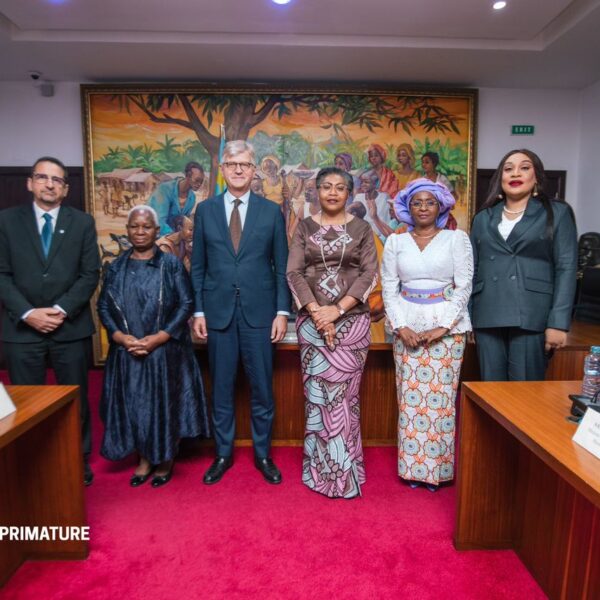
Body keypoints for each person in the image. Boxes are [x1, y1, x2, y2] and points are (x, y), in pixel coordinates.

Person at [191, 140, 290, 485]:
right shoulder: (205, 211)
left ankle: (263, 455)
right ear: (222, 168)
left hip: (260, 315)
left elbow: (280, 266)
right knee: (221, 388)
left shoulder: (270, 211)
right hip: (217, 314)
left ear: (254, 170)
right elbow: (198, 267)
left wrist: (281, 311)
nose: (237, 169)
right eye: (231, 163)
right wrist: (199, 310)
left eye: (244, 164)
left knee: (262, 388)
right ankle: (223, 454)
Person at [0, 156, 100, 486]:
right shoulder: (6, 221)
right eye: (42, 177)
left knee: (76, 400)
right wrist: (29, 313)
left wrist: (59, 310)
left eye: (56, 180)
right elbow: (2, 275)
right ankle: (32, 463)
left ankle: (78, 459)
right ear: (29, 182)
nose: (49, 184)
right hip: (21, 329)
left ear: (66, 189)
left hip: (69, 328)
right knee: (25, 402)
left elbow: (90, 275)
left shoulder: (82, 223)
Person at [97, 206, 209, 487]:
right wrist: (120, 337)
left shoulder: (170, 264)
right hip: (128, 350)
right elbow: (103, 305)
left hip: (164, 352)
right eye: (135, 226)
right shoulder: (117, 267)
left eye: (146, 227)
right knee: (136, 405)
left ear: (156, 231)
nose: (140, 232)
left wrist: (160, 337)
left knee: (162, 406)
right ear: (128, 230)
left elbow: (185, 303)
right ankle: (144, 458)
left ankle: (165, 459)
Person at [287, 167, 378, 498]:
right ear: (317, 191)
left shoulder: (362, 229)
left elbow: (369, 274)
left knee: (345, 399)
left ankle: (347, 470)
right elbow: (294, 272)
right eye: (326, 186)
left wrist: (337, 310)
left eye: (340, 187)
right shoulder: (305, 228)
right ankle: (318, 472)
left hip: (352, 325)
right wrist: (317, 312)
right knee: (317, 399)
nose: (333, 192)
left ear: (349, 193)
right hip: (312, 326)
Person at [381, 178, 473, 491]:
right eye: (417, 202)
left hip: (447, 330)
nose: (423, 207)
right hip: (406, 327)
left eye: (429, 202)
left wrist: (443, 326)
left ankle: (438, 472)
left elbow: (464, 287)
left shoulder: (456, 239)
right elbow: (389, 289)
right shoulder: (396, 242)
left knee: (440, 401)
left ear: (441, 207)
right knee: (409, 401)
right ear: (407, 207)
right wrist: (400, 326)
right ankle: (411, 470)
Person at [470, 149, 578, 381]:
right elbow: (474, 269)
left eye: (524, 167)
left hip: (532, 315)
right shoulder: (483, 217)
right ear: (501, 178)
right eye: (508, 169)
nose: (515, 173)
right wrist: (468, 318)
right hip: (488, 313)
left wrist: (558, 323)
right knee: (491, 394)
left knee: (524, 393)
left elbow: (566, 268)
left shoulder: (557, 213)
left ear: (536, 176)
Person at [148, 161, 205, 235]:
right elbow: (159, 221)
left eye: (201, 181)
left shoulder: (192, 198)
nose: (199, 184)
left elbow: (183, 221)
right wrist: (175, 237)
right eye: (197, 180)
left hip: (172, 235)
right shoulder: (165, 190)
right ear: (187, 176)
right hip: (152, 232)